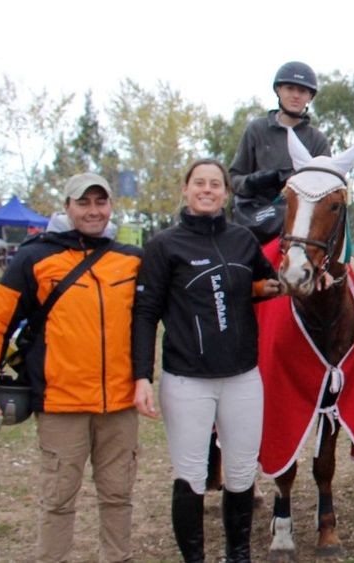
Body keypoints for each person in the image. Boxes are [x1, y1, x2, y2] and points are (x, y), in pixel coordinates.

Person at [132, 159, 285, 563]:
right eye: (199, 182)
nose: (207, 189)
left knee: (240, 474)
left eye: (215, 184)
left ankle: (239, 556)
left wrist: (295, 284)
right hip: (187, 381)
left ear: (225, 193)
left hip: (242, 378)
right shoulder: (164, 245)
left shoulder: (242, 240)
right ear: (185, 189)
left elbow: (267, 283)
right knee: (191, 477)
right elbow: (145, 313)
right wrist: (140, 377)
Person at [0, 173, 147, 563]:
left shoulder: (130, 260)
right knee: (58, 500)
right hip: (61, 405)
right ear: (67, 207)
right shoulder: (34, 258)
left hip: (119, 404)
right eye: (83, 203)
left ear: (111, 206)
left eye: (101, 202)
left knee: (118, 496)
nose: (93, 211)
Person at [229, 61, 331, 244]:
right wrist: (252, 182)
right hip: (256, 223)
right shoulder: (256, 130)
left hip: (300, 230)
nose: (295, 95)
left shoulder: (317, 141)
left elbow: (326, 191)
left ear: (310, 97)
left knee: (351, 270)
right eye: (290, 88)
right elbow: (233, 179)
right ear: (278, 90)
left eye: (302, 91)